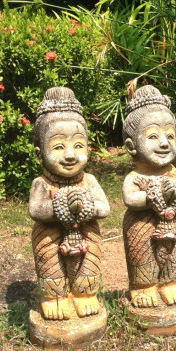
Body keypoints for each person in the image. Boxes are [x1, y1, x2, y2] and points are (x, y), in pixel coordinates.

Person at [28, 87, 110, 320]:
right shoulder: (41, 183)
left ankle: (85, 295)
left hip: (85, 234)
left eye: (78, 145)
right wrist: (60, 206)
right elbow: (35, 210)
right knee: (49, 260)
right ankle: (54, 297)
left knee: (89, 262)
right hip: (50, 236)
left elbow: (104, 208)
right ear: (39, 154)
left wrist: (85, 205)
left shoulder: (89, 180)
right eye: (58, 147)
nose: (71, 155)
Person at [122, 85, 176, 308]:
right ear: (131, 146)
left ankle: (170, 283)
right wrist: (153, 197)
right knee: (141, 254)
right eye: (153, 136)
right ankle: (143, 287)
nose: (164, 143)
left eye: (170, 135)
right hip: (142, 226)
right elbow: (130, 199)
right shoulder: (136, 177)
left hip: (174, 225)